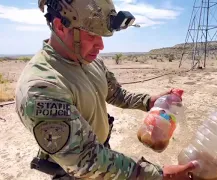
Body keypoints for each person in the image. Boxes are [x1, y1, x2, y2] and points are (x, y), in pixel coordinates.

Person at [15, 0, 199, 179]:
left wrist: (149, 101)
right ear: (60, 26)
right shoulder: (41, 87)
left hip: (103, 154)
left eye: (101, 36)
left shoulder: (90, 61)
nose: (101, 45)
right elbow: (84, 161)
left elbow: (116, 94)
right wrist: (160, 175)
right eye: (91, 34)